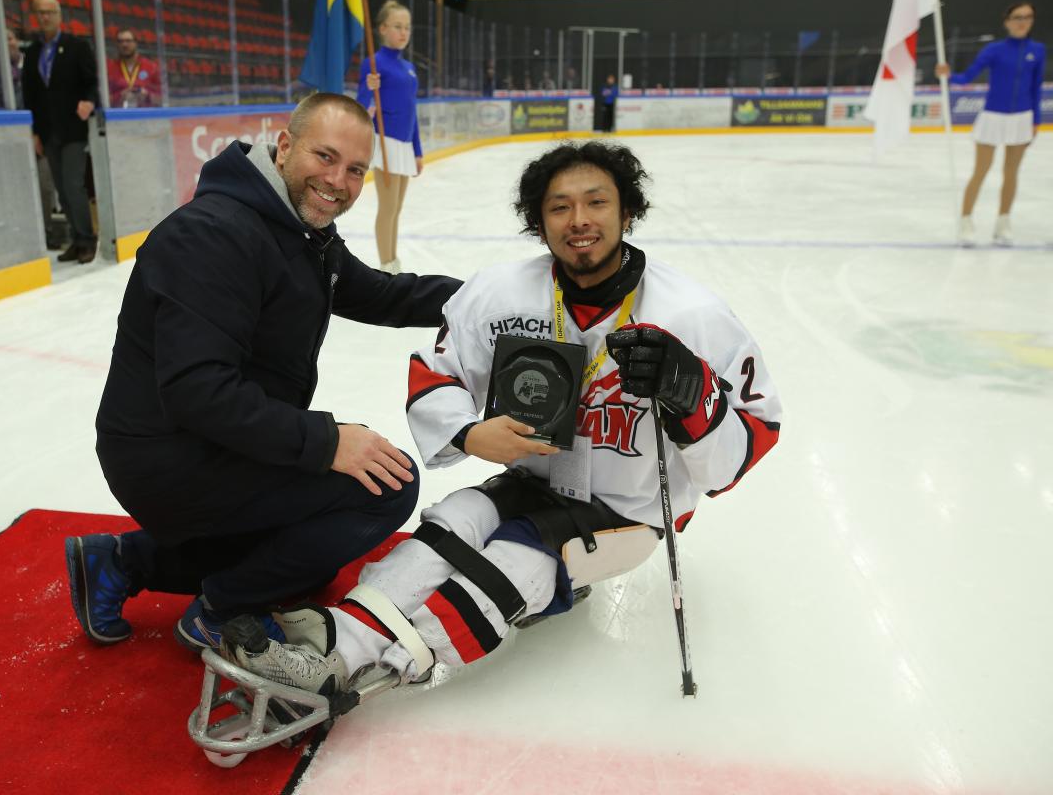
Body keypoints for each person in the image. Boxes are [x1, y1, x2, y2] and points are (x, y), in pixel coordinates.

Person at [218, 141, 782, 698]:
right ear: (539, 222)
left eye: (597, 203)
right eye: (559, 207)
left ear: (627, 211)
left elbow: (753, 437)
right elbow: (436, 373)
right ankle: (343, 640)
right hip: (530, 482)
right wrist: (467, 431)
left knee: (518, 557)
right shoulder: (500, 292)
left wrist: (691, 391)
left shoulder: (693, 315)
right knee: (456, 517)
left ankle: (378, 667)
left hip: (628, 510)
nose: (578, 220)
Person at [63, 93, 462, 655]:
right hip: (167, 455)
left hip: (217, 441)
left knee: (303, 572)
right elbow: (199, 392)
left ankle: (124, 561)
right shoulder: (212, 235)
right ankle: (221, 610)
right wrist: (325, 443)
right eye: (324, 158)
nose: (338, 181)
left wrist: (480, 301)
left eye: (354, 170)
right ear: (283, 147)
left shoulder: (295, 228)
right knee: (384, 486)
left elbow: (377, 293)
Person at [936, 1, 1045, 247]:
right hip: (993, 118)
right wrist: (948, 74)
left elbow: (1036, 87)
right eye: (1017, 17)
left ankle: (1003, 222)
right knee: (981, 171)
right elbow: (967, 77)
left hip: (1022, 119)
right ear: (1007, 21)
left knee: (1011, 173)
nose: (1022, 22)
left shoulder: (1037, 50)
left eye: (1027, 17)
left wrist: (1035, 121)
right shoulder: (994, 50)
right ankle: (966, 220)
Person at [21, 0, 99, 264]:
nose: (45, 17)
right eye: (40, 12)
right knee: (61, 188)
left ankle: (87, 238)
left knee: (73, 184)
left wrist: (89, 101)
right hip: (46, 130)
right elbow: (29, 94)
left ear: (59, 15)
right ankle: (77, 240)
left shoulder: (76, 46)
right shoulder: (31, 52)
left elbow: (91, 81)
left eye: (50, 12)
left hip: (73, 128)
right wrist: (34, 132)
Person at [356, 0, 422, 275]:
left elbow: (413, 111)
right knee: (388, 207)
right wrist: (369, 89)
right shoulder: (373, 63)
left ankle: (393, 260)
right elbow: (361, 108)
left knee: (397, 209)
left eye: (406, 27)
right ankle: (386, 265)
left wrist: (417, 150)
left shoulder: (409, 68)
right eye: (397, 26)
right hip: (386, 142)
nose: (403, 32)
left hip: (405, 145)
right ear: (382, 28)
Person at [106, 27, 160, 108]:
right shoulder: (109, 68)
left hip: (146, 117)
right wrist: (120, 96)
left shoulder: (151, 67)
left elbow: (163, 99)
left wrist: (148, 95)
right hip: (118, 117)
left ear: (136, 43)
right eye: (120, 41)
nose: (124, 45)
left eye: (128, 41)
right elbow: (102, 100)